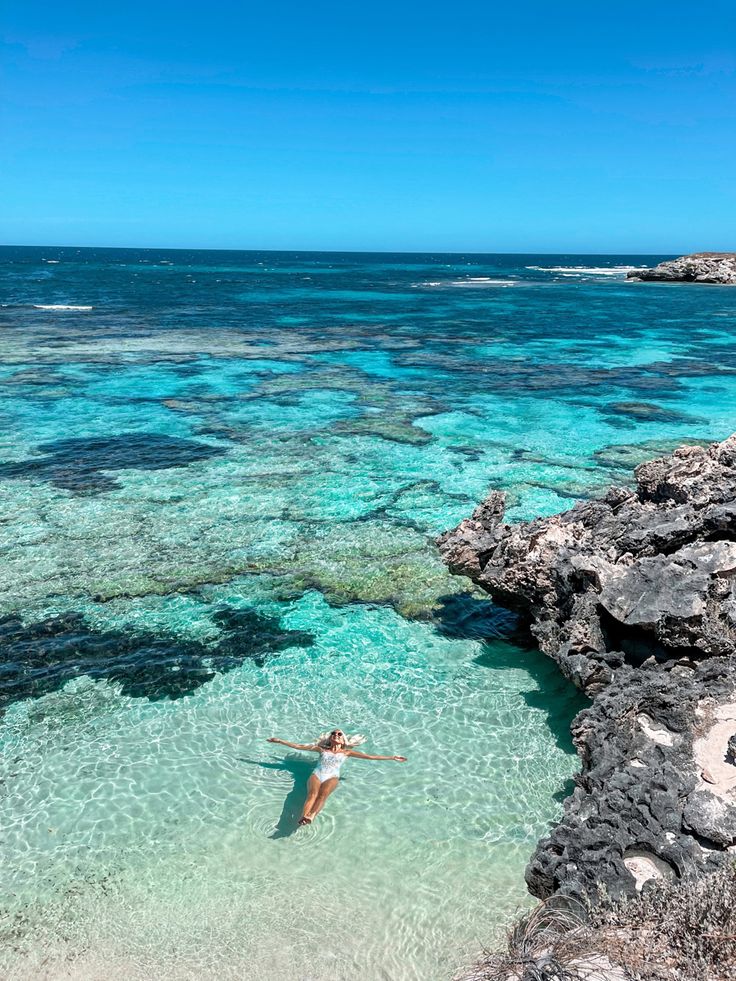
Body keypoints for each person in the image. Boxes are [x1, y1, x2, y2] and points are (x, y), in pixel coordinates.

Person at [267, 728, 407, 825]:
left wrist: (392, 757)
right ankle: (304, 816)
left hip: (332, 776)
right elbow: (299, 746)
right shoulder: (321, 748)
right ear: (330, 738)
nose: (336, 735)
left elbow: (370, 757)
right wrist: (280, 741)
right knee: (312, 794)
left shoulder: (346, 753)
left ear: (343, 739)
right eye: (333, 733)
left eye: (339, 734)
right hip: (317, 773)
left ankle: (312, 816)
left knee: (323, 796)